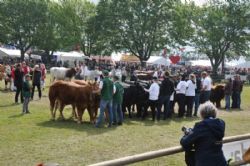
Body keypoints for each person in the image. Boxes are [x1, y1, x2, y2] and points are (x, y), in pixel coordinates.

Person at [180, 101, 227, 166]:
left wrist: (187, 134)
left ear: (202, 113)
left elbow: (185, 142)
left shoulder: (201, 126)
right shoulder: (220, 123)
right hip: (220, 162)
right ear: (214, 112)